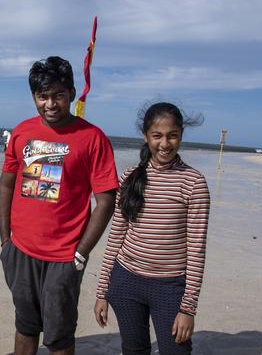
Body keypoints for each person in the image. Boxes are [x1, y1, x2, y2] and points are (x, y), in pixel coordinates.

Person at [0, 56, 118, 355]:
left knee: (59, 336)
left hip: (64, 257)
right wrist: (5, 242)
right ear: (34, 97)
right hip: (21, 251)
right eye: (42, 96)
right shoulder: (22, 132)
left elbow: (106, 201)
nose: (50, 104)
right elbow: (6, 184)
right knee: (25, 326)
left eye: (58, 96)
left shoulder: (93, 138)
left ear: (72, 95)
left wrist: (80, 253)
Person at [94, 102, 210, 355]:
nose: (165, 144)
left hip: (170, 287)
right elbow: (115, 236)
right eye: (157, 136)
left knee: (176, 351)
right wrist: (102, 291)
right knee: (134, 350)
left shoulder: (193, 182)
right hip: (125, 282)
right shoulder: (130, 177)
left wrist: (188, 308)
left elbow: (196, 249)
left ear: (181, 135)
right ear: (146, 136)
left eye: (172, 135)